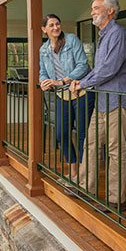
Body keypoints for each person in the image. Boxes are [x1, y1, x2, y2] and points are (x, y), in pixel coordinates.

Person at [69, 0, 126, 212]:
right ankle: (84, 187)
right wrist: (82, 81)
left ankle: (116, 201)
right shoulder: (103, 36)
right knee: (90, 144)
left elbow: (109, 69)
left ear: (110, 11)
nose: (92, 12)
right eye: (92, 8)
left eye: (96, 8)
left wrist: (82, 85)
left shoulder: (118, 34)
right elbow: (99, 69)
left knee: (116, 151)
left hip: (117, 101)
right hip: (103, 101)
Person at [39, 14, 94, 180]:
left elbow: (83, 66)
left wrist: (61, 81)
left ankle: (83, 175)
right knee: (62, 134)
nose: (56, 27)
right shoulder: (44, 49)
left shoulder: (71, 40)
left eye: (57, 24)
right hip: (62, 94)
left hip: (81, 91)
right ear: (44, 29)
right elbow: (42, 71)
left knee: (83, 134)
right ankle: (73, 171)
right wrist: (43, 82)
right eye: (51, 25)